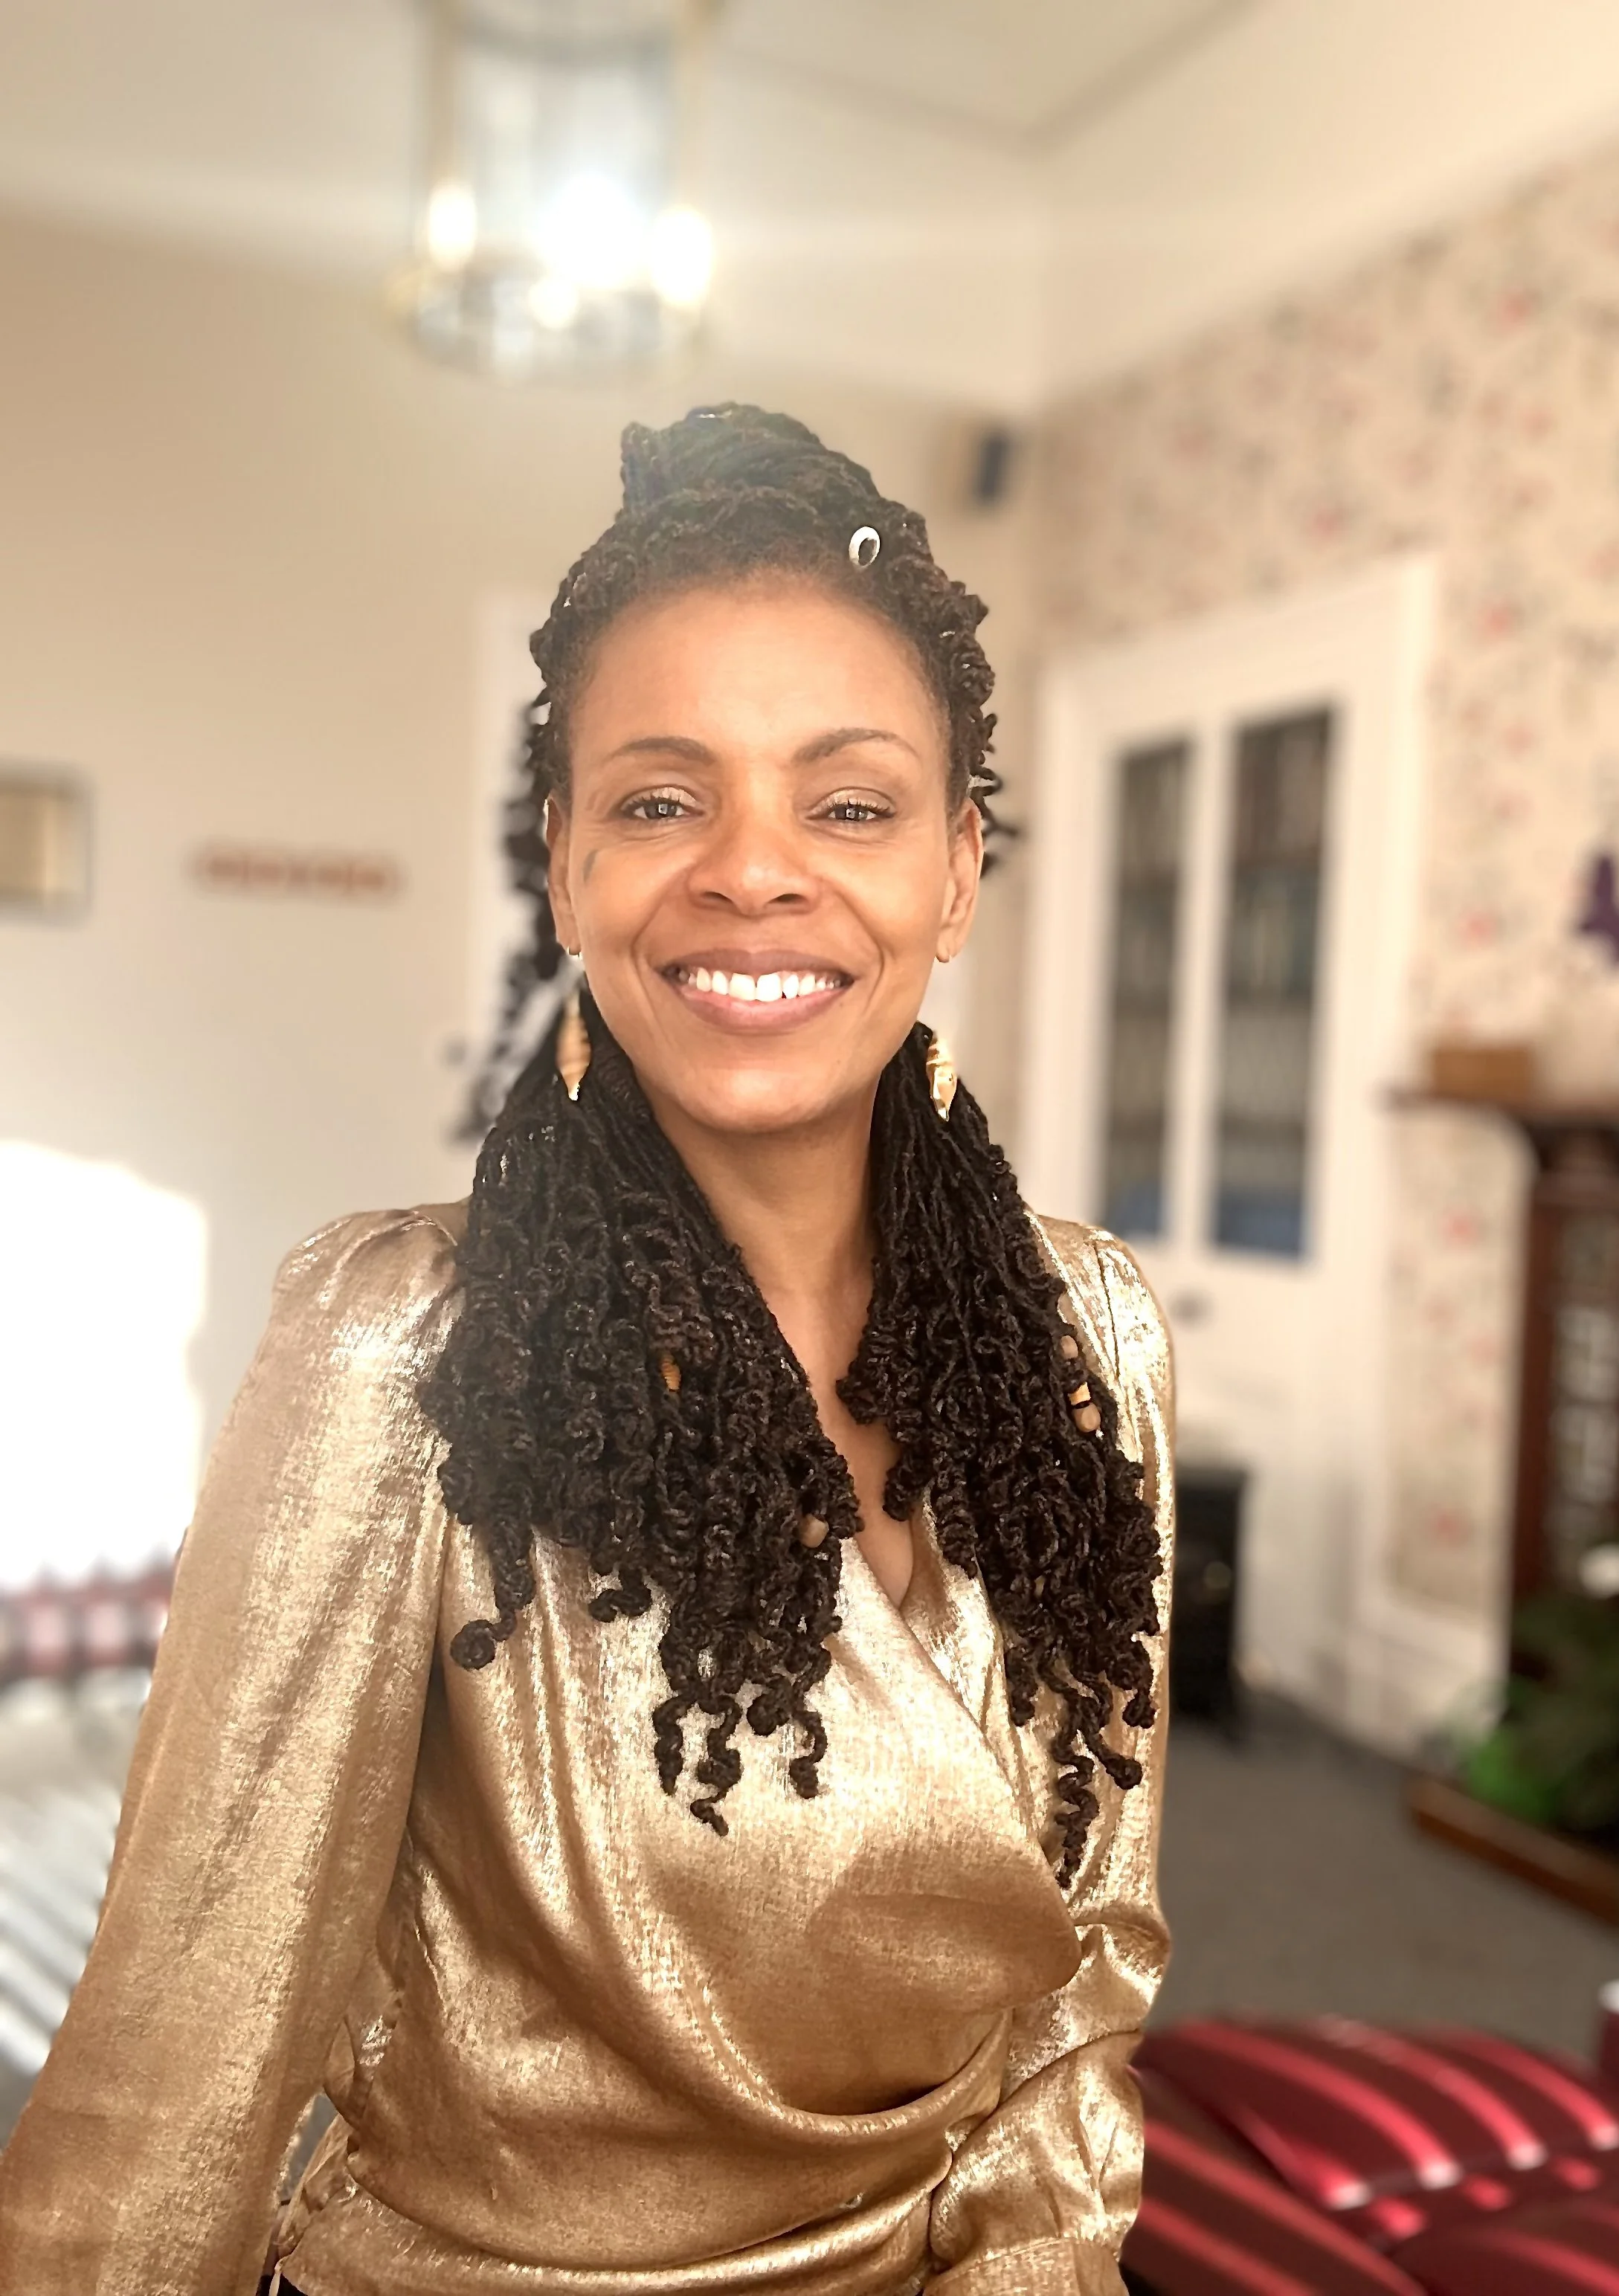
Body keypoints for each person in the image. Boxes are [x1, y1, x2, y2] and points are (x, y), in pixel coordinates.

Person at [0, 404, 1174, 2295]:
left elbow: (1090, 1966)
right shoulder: (403, 1343)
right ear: (565, 867)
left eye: (851, 803)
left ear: (958, 871)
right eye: (659, 797)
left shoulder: (1091, 1334)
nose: (751, 870)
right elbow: (182, 2062)